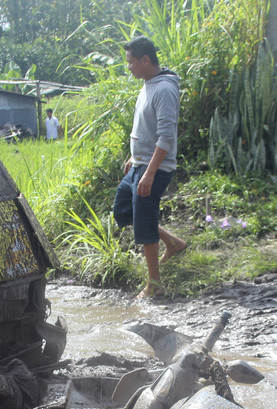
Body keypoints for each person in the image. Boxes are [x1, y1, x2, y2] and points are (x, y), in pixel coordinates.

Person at [112, 36, 188, 298]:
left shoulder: (165, 89)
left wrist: (150, 172)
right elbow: (147, 127)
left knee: (144, 222)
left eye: (131, 62)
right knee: (123, 209)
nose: (129, 67)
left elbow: (166, 137)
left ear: (145, 60)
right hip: (140, 165)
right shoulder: (148, 84)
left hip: (154, 169)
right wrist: (135, 157)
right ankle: (173, 242)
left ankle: (154, 285)